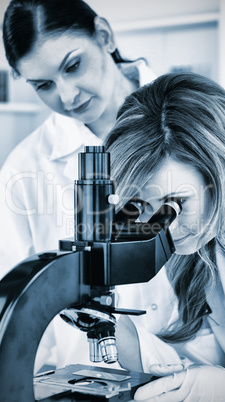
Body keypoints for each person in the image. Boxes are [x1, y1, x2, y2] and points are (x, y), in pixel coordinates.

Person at [0, 0, 155, 371]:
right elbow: (17, 312)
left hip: (203, 374)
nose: (67, 96)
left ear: (104, 34)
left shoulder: (198, 117)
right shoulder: (24, 168)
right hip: (85, 372)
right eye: (44, 85)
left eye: (73, 66)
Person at [105, 72, 225, 400]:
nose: (161, 227)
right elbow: (210, 359)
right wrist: (120, 336)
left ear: (224, 173)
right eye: (140, 206)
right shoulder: (207, 243)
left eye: (176, 203)